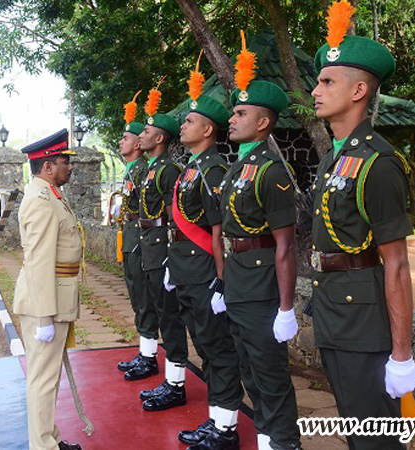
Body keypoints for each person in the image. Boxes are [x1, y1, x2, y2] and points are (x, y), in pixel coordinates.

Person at [309, 2, 415, 448]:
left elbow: (396, 264)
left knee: (375, 437)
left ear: (358, 91)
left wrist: (402, 354)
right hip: (333, 311)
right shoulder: (335, 159)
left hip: (364, 321)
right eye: (318, 79)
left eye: (326, 81)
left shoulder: (379, 161)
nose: (315, 89)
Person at [219, 31, 301, 450]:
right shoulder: (237, 169)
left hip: (263, 285)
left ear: (263, 122)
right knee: (251, 373)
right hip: (238, 281)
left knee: (270, 377)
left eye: (240, 113)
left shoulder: (271, 170)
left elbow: (286, 244)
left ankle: (284, 443)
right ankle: (269, 441)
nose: (231, 119)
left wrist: (286, 307)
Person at [169, 56, 243, 450]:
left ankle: (226, 427)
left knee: (217, 346)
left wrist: (221, 278)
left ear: (208, 129)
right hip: (185, 267)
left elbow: (218, 231)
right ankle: (217, 419)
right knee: (204, 344)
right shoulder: (192, 167)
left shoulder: (213, 169)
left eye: (189, 121)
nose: (183, 125)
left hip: (203, 268)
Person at [13, 129, 83, 450]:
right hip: (47, 301)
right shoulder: (41, 201)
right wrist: (44, 317)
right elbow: (40, 262)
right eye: (64, 162)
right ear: (48, 167)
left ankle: (49, 439)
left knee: (48, 378)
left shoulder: (50, 193)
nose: (69, 167)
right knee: (42, 380)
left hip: (57, 297)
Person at [136, 81, 192, 411]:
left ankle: (176, 383)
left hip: (162, 247)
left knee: (170, 318)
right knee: (159, 311)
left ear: (160, 138)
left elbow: (176, 218)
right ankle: (170, 377)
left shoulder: (169, 169)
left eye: (146, 132)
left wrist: (173, 255)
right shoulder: (152, 168)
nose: (141, 136)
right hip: (149, 246)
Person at [115, 91, 160, 381]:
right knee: (135, 294)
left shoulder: (143, 170)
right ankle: (145, 350)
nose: (122, 142)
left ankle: (149, 356)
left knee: (144, 297)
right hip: (130, 235)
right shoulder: (131, 169)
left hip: (142, 238)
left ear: (137, 145)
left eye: (126, 138)